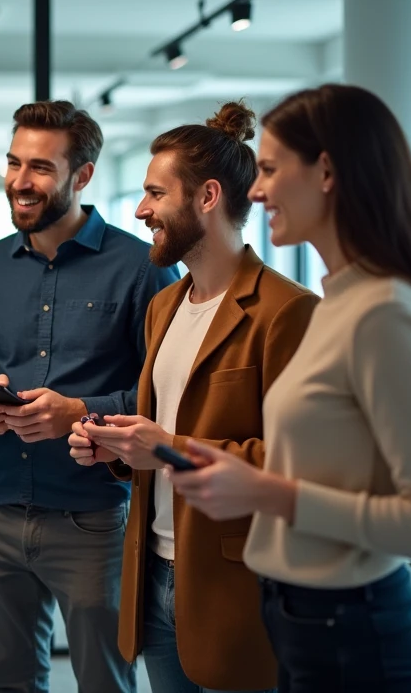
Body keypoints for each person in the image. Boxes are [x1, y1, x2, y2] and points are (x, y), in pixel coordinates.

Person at [166, 84, 411, 692]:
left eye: (270, 170)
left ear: (327, 172)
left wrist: (266, 491)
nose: (256, 191)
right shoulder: (340, 303)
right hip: (305, 625)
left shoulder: (383, 312)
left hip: (358, 641)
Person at [68, 102, 318, 693]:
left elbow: (301, 464)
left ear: (208, 196)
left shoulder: (288, 311)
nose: (140, 210)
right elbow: (164, 434)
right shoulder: (164, 306)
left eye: (155, 193)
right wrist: (121, 451)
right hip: (152, 574)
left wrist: (169, 448)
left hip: (236, 583)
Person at [0, 100, 179, 693]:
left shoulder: (143, 267)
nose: (20, 181)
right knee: (11, 682)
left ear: (82, 176)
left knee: (104, 682)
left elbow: (167, 394)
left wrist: (79, 413)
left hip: (94, 519)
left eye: (41, 168)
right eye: (13, 163)